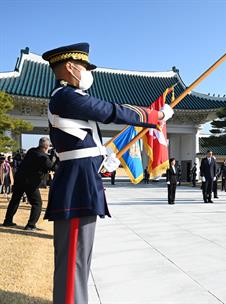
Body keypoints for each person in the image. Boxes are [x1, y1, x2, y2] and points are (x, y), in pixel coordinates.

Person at [41, 42, 174, 304]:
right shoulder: (66, 97)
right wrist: (155, 115)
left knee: (79, 259)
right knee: (73, 261)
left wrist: (100, 158)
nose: (88, 72)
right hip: (77, 187)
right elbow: (110, 111)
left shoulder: (68, 98)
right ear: (70, 67)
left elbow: (79, 142)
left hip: (81, 179)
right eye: (84, 67)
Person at [2, 137, 55, 230]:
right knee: (37, 203)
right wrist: (56, 158)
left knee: (15, 199)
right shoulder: (43, 157)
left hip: (19, 179)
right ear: (47, 146)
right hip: (30, 182)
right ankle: (30, 225)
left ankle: (7, 221)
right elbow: (52, 167)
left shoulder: (31, 151)